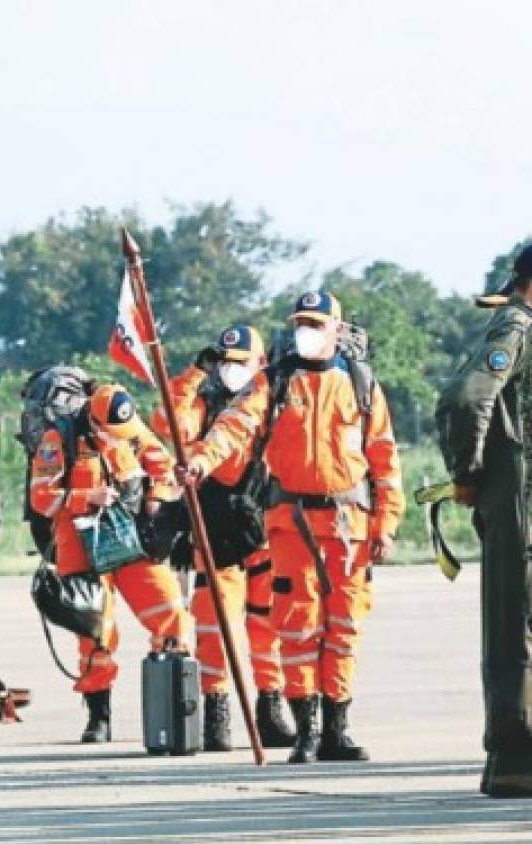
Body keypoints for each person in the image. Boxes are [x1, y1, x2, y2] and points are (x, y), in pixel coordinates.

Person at [179, 292, 404, 763]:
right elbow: (232, 427)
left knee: (344, 625)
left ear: (337, 329)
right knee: (297, 625)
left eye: (316, 323)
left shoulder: (362, 385)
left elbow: (384, 460)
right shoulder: (274, 382)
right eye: (301, 321)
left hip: (350, 525)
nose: (307, 329)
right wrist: (200, 461)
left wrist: (387, 522)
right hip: (291, 523)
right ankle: (307, 729)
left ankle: (337, 730)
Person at [151, 326, 294, 752]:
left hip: (264, 520)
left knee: (267, 621)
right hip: (214, 522)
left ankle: (271, 706)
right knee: (215, 623)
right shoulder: (202, 400)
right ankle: (216, 712)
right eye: (225, 362)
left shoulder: (276, 399)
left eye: (241, 363)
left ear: (261, 363)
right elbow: (169, 425)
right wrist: (195, 374)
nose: (232, 372)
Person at [29, 384, 193, 744]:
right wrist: (87, 497)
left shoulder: (132, 430)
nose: (114, 437)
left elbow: (164, 469)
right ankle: (98, 717)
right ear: (92, 417)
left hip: (133, 542)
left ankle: (170, 703)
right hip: (82, 550)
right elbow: (41, 498)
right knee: (96, 637)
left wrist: (156, 499)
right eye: (107, 430)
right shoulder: (60, 439)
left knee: (172, 614)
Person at [436, 243, 532, 798]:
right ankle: (514, 757)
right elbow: (472, 395)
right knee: (512, 623)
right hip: (517, 496)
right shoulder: (516, 326)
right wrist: (468, 471)